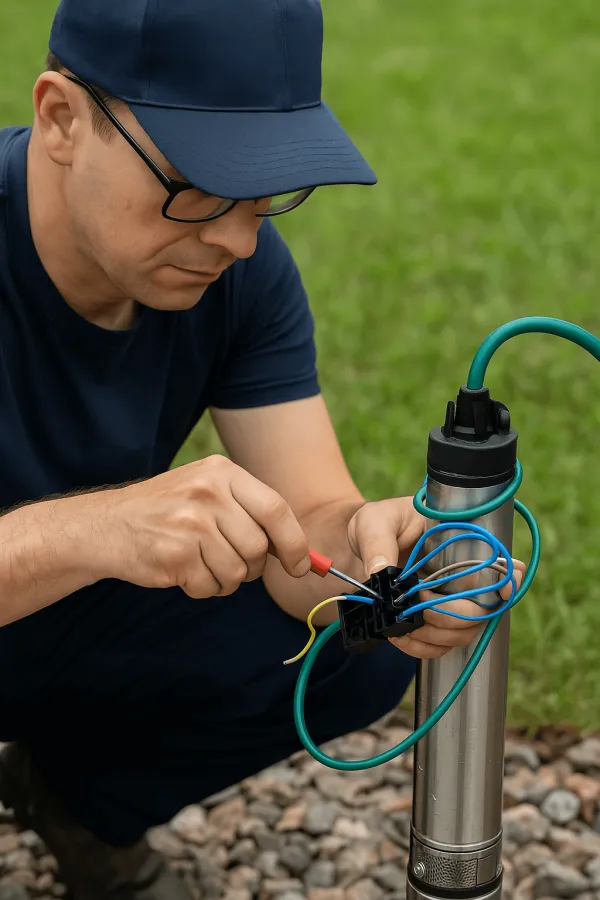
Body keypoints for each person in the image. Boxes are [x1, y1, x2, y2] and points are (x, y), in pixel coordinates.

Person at [0, 1, 524, 898]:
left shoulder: (239, 270)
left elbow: (313, 523)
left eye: (267, 192)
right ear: (61, 118)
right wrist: (94, 529)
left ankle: (78, 805)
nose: (239, 239)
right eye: (200, 186)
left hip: (49, 625)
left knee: (351, 650)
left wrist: (377, 550)